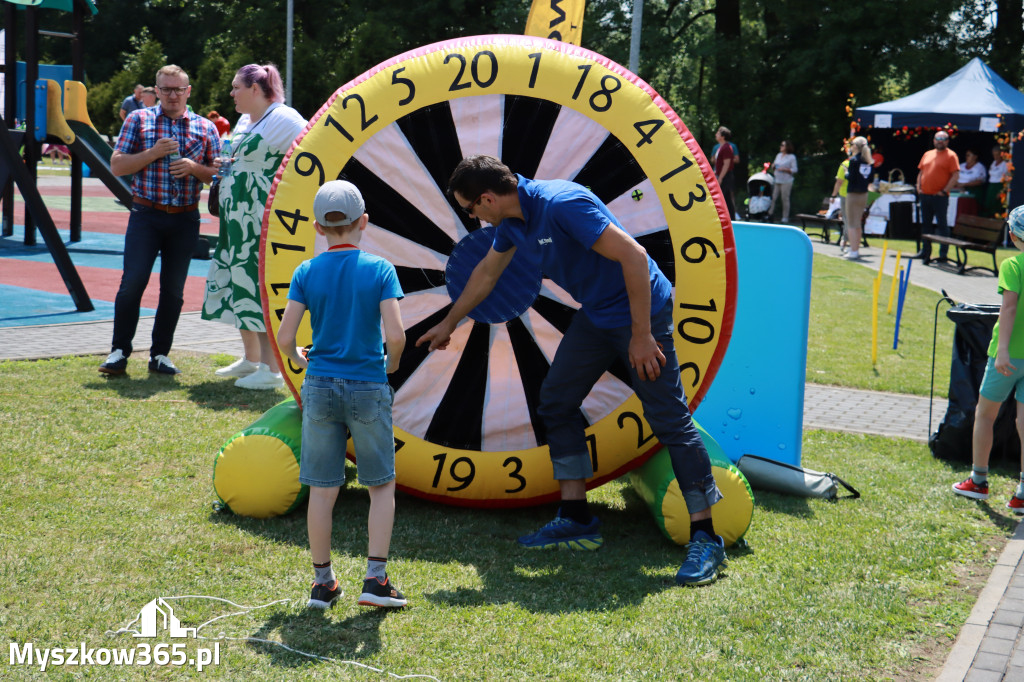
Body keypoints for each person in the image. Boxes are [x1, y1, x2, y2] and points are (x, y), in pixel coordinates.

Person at [417, 155, 729, 586]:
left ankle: (707, 537)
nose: (474, 218)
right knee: (556, 402)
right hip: (599, 316)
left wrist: (642, 336)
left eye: (471, 209)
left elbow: (635, 258)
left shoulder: (562, 204)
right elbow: (487, 274)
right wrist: (448, 323)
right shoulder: (511, 224)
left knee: (669, 419)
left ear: (487, 198)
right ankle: (576, 516)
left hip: (643, 314)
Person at [276, 180, 408, 609]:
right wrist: (391, 363)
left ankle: (322, 583)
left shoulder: (306, 271)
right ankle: (376, 580)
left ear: (317, 227)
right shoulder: (380, 269)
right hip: (368, 384)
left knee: (322, 488)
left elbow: (285, 336)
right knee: (381, 485)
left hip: (319, 386)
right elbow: (397, 334)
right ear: (363, 222)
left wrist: (299, 359)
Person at [98, 65, 220, 376]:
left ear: (188, 91)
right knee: (133, 282)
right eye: (166, 89)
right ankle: (119, 351)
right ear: (156, 90)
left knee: (174, 291)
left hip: (184, 218)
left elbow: (217, 176)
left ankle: (160, 354)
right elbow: (117, 165)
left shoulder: (206, 128)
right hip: (146, 214)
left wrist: (194, 167)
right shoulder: (138, 120)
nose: (172, 95)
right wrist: (153, 152)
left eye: (178, 89)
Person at [203, 64, 306, 390]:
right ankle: (252, 359)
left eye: (236, 87)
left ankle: (272, 369)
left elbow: (308, 153)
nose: (231, 93)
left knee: (257, 287)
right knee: (239, 284)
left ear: (257, 89)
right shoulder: (246, 119)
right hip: (237, 219)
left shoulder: (286, 119)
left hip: (260, 219)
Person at [952, 206, 1024, 516]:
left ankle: (978, 480)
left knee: (985, 414)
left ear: (1011, 235)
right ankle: (1022, 491)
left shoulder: (1012, 264)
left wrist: (1004, 350)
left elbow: (1008, 309)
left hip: (1008, 355)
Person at [916, 130, 960, 264]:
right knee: (926, 225)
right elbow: (921, 172)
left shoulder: (951, 156)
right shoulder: (927, 154)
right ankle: (925, 252)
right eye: (938, 138)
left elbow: (955, 176)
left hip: (940, 197)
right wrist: (918, 187)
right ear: (934, 140)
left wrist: (944, 190)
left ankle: (943, 254)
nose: (940, 141)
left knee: (942, 225)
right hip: (925, 195)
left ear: (947, 141)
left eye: (943, 138)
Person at [842, 136, 872, 261]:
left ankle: (853, 250)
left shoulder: (854, 161)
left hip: (853, 194)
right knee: (857, 223)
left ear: (856, 146)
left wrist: (846, 172)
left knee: (852, 223)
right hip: (863, 194)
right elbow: (869, 179)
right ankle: (855, 248)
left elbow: (851, 177)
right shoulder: (868, 161)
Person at [769, 140, 798, 224]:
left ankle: (785, 217)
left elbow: (795, 169)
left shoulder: (792, 157)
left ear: (787, 147)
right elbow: (775, 165)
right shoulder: (778, 155)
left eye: (783, 145)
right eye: (781, 145)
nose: (781, 146)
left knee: (784, 199)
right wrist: (773, 166)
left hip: (786, 181)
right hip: (777, 179)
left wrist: (785, 169)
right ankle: (769, 214)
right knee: (773, 197)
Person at [713, 126, 736, 222]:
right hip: (721, 175)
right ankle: (731, 219)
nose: (716, 135)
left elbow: (726, 164)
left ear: (722, 136)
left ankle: (729, 219)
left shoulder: (727, 147)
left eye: (718, 133)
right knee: (726, 199)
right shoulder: (721, 147)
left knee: (723, 198)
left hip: (726, 176)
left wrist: (720, 178)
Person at [985, 145, 1009, 218]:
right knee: (988, 205)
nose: (996, 157)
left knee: (997, 207)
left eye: (997, 155)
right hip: (991, 186)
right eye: (994, 155)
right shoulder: (993, 163)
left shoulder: (1005, 164)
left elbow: (1007, 179)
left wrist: (1001, 192)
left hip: (999, 186)